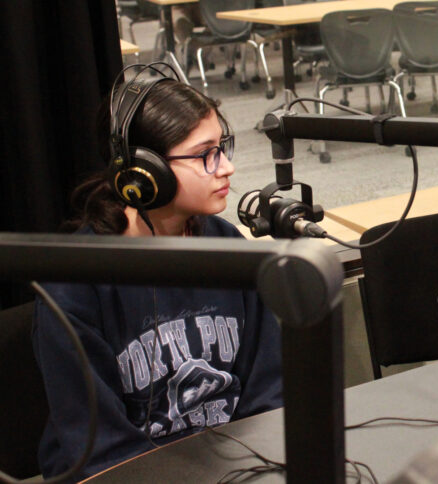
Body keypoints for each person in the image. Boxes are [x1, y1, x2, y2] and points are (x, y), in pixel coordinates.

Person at [32, 75, 282, 479]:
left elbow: (269, 394)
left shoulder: (227, 247)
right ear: (145, 173)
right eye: (205, 155)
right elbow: (99, 449)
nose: (227, 167)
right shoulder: (73, 284)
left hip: (235, 466)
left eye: (222, 148)